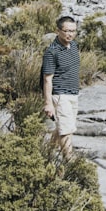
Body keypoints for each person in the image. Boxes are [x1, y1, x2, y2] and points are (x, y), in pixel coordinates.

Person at [42, 15, 80, 156]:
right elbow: (47, 79)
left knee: (64, 127)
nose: (70, 34)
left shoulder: (74, 46)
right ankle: (69, 162)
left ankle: (46, 154)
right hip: (60, 94)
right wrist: (48, 103)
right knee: (66, 130)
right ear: (58, 31)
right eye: (67, 31)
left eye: (73, 31)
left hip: (73, 93)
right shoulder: (52, 52)